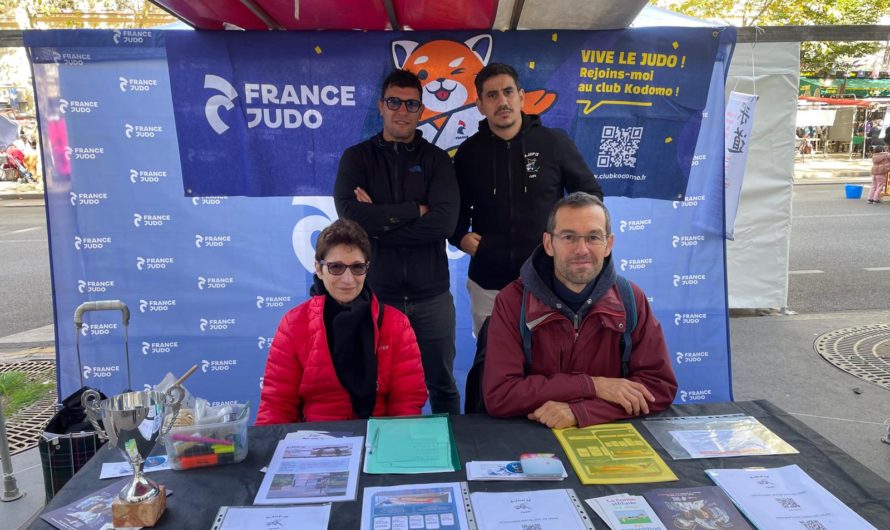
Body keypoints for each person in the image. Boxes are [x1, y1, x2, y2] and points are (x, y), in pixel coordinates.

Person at [483, 192, 677, 428]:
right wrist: (593, 385)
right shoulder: (513, 301)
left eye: (593, 237)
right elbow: (500, 396)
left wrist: (581, 411)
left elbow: (658, 387)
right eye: (568, 237)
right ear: (548, 244)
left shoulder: (630, 299)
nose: (581, 249)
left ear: (609, 244)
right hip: (533, 437)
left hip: (607, 439)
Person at [333, 69, 461, 414]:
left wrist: (378, 221)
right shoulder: (357, 157)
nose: (402, 111)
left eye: (411, 104)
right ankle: (380, 461)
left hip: (432, 298)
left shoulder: (436, 160)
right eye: (394, 102)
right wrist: (414, 210)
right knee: (374, 386)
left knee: (443, 386)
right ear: (381, 106)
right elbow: (349, 216)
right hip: (378, 297)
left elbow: (444, 224)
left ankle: (452, 457)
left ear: (421, 111)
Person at [449, 63, 603, 335]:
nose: (503, 101)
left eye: (508, 92)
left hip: (548, 280)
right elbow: (451, 206)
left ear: (521, 96)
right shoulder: (469, 153)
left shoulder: (554, 143)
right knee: (492, 361)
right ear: (480, 105)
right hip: (489, 281)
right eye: (492, 95)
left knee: (549, 363)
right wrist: (459, 235)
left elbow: (591, 196)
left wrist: (569, 239)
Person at [256, 219, 427, 424]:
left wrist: (395, 449)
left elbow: (406, 403)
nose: (348, 279)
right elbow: (277, 405)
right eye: (336, 267)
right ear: (319, 269)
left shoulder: (396, 324)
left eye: (357, 267)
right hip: (315, 443)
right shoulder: (293, 324)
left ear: (367, 268)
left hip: (379, 439)